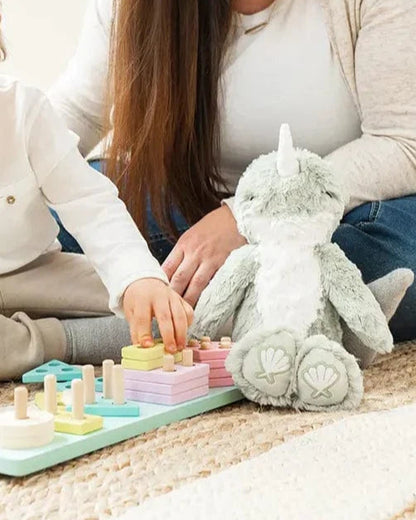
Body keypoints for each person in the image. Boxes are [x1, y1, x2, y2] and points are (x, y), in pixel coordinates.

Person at [50, 0, 416, 345]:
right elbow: (77, 113)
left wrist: (246, 216)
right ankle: (293, 311)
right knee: (50, 222)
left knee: (403, 263)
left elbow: (402, 142)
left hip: (337, 215)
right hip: (194, 209)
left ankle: (122, 323)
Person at [0, 7, 193, 380]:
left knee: (172, 317)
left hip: (38, 273)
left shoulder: (24, 110)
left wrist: (139, 278)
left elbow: (90, 203)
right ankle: (38, 343)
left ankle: (44, 340)